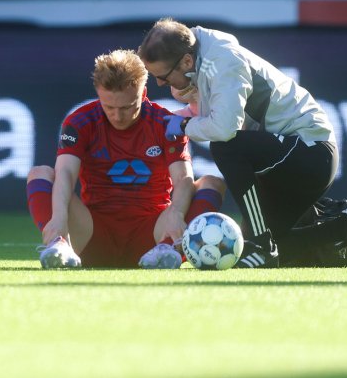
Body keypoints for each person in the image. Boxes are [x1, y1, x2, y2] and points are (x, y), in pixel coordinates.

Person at [137, 18, 347, 269]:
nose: (160, 84)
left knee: (225, 146)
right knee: (260, 251)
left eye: (164, 77)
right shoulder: (195, 56)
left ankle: (261, 243)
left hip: (312, 153)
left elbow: (224, 128)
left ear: (187, 61)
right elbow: (207, 114)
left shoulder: (223, 62)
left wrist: (181, 126)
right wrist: (174, 118)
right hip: (293, 158)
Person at [26, 49, 228, 269]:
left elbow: (183, 178)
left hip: (153, 233)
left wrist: (176, 214)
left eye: (127, 107)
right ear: (98, 93)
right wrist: (58, 219)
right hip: (93, 233)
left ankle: (167, 250)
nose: (117, 116)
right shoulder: (80, 121)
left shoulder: (166, 123)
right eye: (109, 107)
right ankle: (60, 245)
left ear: (143, 94)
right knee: (40, 173)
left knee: (211, 183)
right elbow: (65, 173)